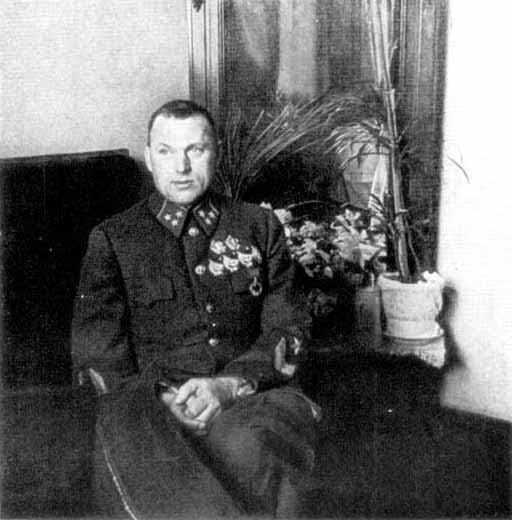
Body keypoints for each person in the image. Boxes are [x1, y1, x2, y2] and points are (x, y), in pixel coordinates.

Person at [71, 99, 320, 518]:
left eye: (195, 150)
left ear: (215, 152)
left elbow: (289, 329)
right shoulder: (114, 239)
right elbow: (98, 356)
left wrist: (228, 386)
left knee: (244, 446)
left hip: (253, 393)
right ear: (149, 157)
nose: (181, 166)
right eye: (166, 151)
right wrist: (163, 400)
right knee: (152, 453)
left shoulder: (259, 226)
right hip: (154, 406)